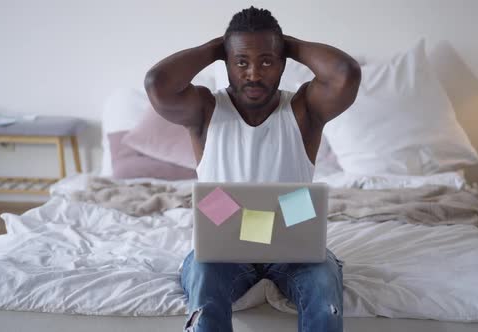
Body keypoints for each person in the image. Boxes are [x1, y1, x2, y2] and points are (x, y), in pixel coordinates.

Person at [144, 6, 361, 332]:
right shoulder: (205, 109)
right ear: (227, 63)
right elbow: (157, 82)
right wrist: (219, 46)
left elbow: (345, 73)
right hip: (221, 251)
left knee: (323, 291)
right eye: (241, 62)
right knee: (203, 278)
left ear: (283, 63)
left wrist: (288, 44)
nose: (254, 74)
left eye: (267, 61)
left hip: (295, 248)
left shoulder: (303, 110)